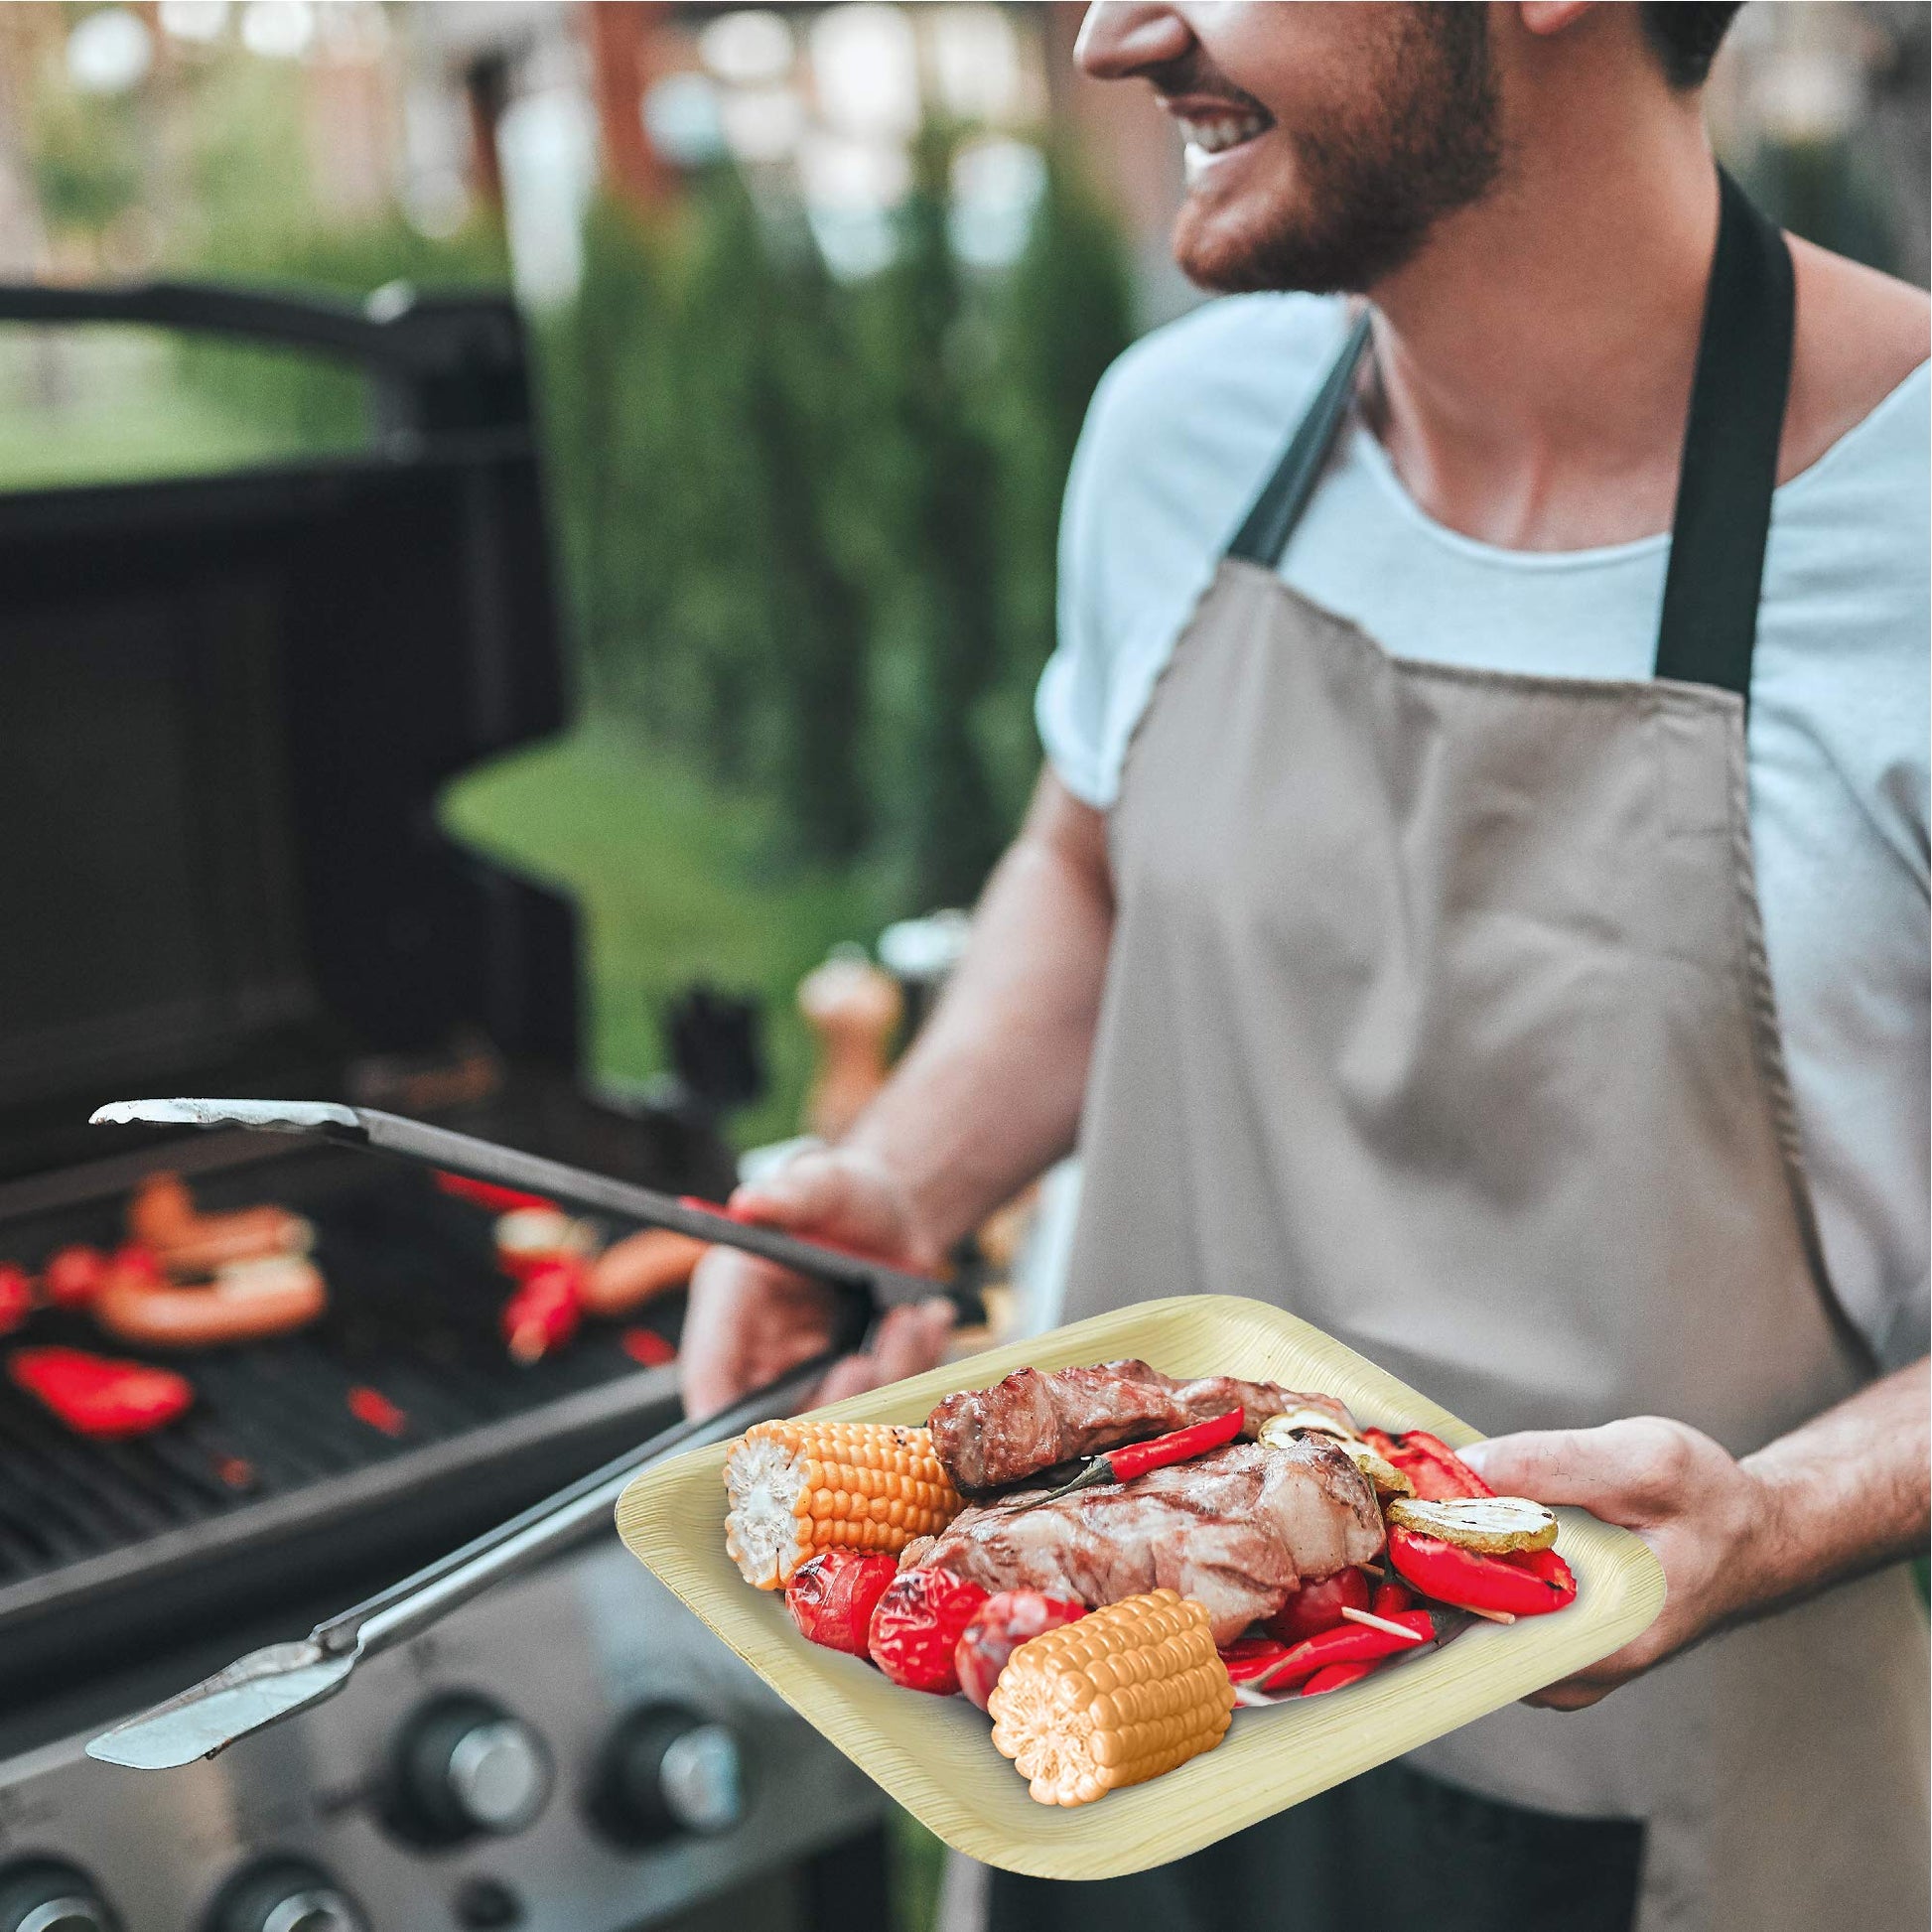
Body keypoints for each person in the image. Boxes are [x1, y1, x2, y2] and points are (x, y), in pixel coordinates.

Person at [683, 5, 1930, 1927]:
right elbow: (1090, 859)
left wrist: (1775, 1519)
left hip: (1643, 1799)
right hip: (1102, 1747)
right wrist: (909, 1174)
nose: (1114, 34)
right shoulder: (1182, 431)